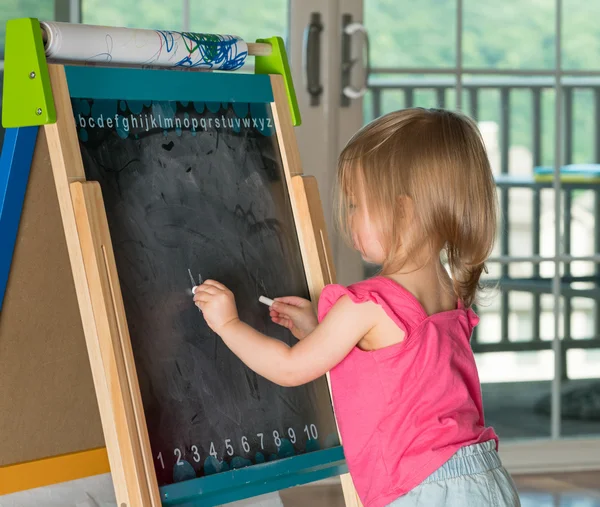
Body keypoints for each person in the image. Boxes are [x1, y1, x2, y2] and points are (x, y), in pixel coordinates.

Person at [193, 108, 521, 507]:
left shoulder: (366, 304)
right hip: (484, 479)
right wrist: (322, 331)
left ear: (402, 211)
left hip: (422, 489)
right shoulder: (447, 292)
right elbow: (399, 368)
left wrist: (228, 324)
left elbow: (291, 367)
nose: (348, 218)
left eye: (355, 204)